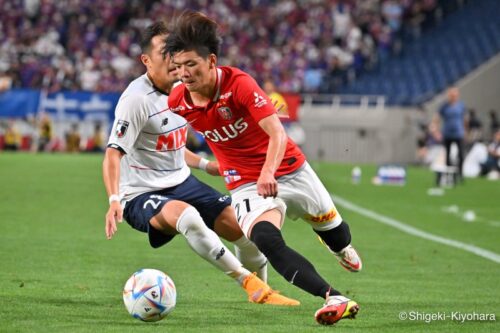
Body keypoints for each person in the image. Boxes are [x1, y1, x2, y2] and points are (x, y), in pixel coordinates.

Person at [164, 11, 361, 325]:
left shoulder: (239, 84)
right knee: (265, 239)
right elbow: (172, 144)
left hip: (290, 169)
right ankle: (333, 296)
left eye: (192, 65)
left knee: (338, 234)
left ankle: (337, 246)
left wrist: (268, 171)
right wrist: (205, 164)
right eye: (178, 66)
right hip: (245, 185)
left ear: (211, 61)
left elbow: (277, 133)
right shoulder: (178, 101)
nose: (184, 74)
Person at [102, 21, 297, 307]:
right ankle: (248, 282)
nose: (173, 60)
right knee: (188, 216)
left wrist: (209, 164)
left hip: (181, 181)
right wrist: (114, 198)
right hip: (140, 193)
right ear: (146, 60)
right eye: (164, 53)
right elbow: (113, 153)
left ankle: (265, 292)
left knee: (243, 227)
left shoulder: (186, 89)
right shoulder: (135, 100)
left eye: (174, 51)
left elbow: (172, 146)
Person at [438, 87, 465, 180]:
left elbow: (464, 119)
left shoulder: (461, 105)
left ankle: (460, 174)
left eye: (455, 95)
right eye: (451, 95)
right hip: (447, 134)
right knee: (448, 155)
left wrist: (465, 130)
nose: (453, 97)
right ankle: (449, 175)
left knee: (460, 154)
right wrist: (436, 131)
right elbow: (437, 118)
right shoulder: (444, 106)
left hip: (458, 133)